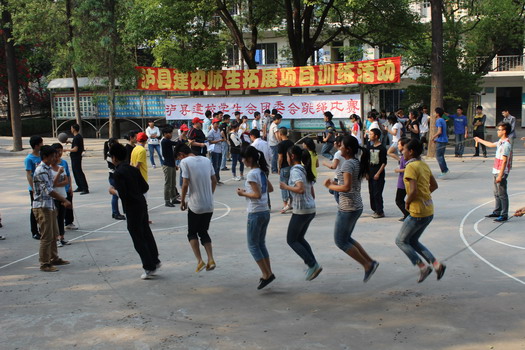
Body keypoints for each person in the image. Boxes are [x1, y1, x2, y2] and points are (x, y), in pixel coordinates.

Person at [324, 135, 379, 282]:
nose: (339, 147)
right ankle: (370, 261)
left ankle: (367, 264)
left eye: (341, 146)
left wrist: (331, 186)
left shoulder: (348, 164)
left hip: (348, 207)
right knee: (347, 238)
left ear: (347, 149)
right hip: (356, 205)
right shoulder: (355, 161)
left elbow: (346, 187)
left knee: (340, 241)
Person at [395, 138, 446, 283]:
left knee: (400, 241)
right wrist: (425, 196)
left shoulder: (411, 167)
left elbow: (413, 190)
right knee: (413, 241)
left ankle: (423, 267)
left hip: (417, 212)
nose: (402, 151)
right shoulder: (423, 164)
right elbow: (434, 185)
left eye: (404, 149)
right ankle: (437, 265)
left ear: (410, 152)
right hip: (428, 210)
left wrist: (407, 201)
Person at [109, 143, 161, 279]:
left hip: (132, 207)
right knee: (146, 233)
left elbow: (123, 194)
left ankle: (149, 266)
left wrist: (113, 191)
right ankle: (155, 260)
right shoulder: (133, 169)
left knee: (138, 237)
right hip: (142, 204)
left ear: (114, 158)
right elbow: (145, 187)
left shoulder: (118, 173)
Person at [279, 146, 322, 281]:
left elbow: (300, 189)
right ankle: (313, 264)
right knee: (299, 238)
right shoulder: (304, 169)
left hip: (302, 210)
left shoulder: (296, 170)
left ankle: (312, 264)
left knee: (291, 240)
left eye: (287, 155)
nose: (286, 158)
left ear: (292, 156)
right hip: (309, 208)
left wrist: (286, 187)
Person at [236, 146, 275, 290]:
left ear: (250, 159)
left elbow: (257, 195)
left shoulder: (252, 174)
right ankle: (268, 272)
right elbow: (269, 189)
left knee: (253, 245)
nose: (242, 160)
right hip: (264, 210)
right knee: (260, 243)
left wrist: (243, 193)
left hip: (255, 212)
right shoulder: (262, 171)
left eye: (244, 158)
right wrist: (249, 191)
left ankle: (266, 273)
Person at [175, 142, 217, 273]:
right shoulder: (206, 160)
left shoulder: (185, 162)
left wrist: (183, 201)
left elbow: (185, 183)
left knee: (192, 233)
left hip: (195, 205)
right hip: (209, 204)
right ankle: (211, 259)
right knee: (203, 232)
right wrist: (209, 194)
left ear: (181, 155)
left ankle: (200, 261)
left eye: (178, 158)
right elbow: (214, 180)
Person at [32, 145, 72, 272]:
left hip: (50, 205)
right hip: (42, 207)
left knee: (54, 234)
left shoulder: (48, 168)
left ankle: (54, 258)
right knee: (47, 236)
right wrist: (64, 200)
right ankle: (44, 263)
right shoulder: (41, 170)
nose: (55, 158)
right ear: (46, 157)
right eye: (53, 156)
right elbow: (48, 190)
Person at [474, 122, 513, 222]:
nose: (498, 131)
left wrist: (500, 175)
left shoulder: (506, 144)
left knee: (502, 194)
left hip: (501, 172)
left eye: (499, 130)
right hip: (495, 170)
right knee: (496, 193)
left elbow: (504, 161)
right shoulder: (501, 141)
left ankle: (504, 214)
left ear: (504, 131)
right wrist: (479, 140)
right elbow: (491, 144)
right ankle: (497, 211)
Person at [50, 143, 72, 247]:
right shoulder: (49, 169)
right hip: (54, 196)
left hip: (63, 194)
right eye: (55, 155)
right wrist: (58, 175)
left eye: (59, 152)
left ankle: (62, 237)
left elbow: (66, 180)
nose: (57, 156)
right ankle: (56, 238)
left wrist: (60, 183)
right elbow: (52, 184)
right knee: (55, 217)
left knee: (61, 217)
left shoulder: (62, 166)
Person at [25, 135, 43, 239]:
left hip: (44, 187)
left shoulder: (42, 155)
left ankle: (43, 228)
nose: (42, 145)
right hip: (35, 189)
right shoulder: (29, 159)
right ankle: (34, 231)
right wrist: (33, 189)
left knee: (44, 209)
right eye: (41, 143)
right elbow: (29, 175)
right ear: (36, 145)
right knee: (34, 209)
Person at [103, 138, 126, 220]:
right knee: (115, 195)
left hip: (113, 176)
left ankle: (115, 212)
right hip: (113, 176)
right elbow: (115, 165)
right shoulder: (111, 155)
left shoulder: (110, 153)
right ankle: (115, 213)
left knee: (115, 195)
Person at [367, 129, 387, 219]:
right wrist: (366, 173)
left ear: (376, 136)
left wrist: (378, 173)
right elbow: (366, 161)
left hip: (378, 173)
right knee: (371, 192)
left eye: (371, 134)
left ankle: (380, 211)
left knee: (377, 192)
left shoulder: (382, 148)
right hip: (370, 172)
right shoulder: (370, 147)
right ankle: (375, 209)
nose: (369, 135)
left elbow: (383, 162)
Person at [64, 123, 89, 194]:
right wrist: (70, 142)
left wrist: (66, 150)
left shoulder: (76, 138)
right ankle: (80, 186)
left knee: (78, 172)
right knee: (75, 172)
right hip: (75, 157)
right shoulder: (78, 137)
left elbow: (75, 149)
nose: (71, 129)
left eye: (71, 128)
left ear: (74, 129)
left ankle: (85, 188)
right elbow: (76, 144)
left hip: (76, 157)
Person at [161, 126, 181, 207]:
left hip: (172, 164)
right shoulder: (165, 141)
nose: (171, 134)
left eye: (171, 133)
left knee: (173, 183)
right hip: (167, 165)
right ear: (165, 134)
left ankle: (173, 198)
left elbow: (172, 154)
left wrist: (175, 164)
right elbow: (177, 143)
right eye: (170, 133)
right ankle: (167, 200)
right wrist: (182, 140)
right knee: (168, 183)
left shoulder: (168, 141)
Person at [322, 135, 345, 204]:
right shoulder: (346, 152)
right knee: (332, 190)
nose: (334, 143)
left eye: (335, 142)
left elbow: (333, 166)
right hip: (343, 176)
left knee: (337, 196)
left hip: (339, 177)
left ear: (338, 143)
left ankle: (343, 207)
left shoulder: (338, 154)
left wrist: (325, 164)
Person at [277, 127, 294, 214]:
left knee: (283, 186)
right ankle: (290, 203)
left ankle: (285, 204)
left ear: (280, 134)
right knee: (291, 185)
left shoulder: (280, 145)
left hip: (284, 166)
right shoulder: (291, 143)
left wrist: (279, 167)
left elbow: (280, 157)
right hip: (291, 166)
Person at [394, 138, 410, 221]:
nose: (398, 146)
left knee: (399, 200)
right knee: (400, 199)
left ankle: (408, 214)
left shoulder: (406, 157)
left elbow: (408, 168)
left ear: (404, 146)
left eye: (399, 144)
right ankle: (407, 214)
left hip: (404, 182)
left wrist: (398, 170)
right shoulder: (403, 156)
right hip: (401, 180)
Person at [432, 107, 450, 178]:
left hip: (441, 141)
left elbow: (439, 131)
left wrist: (433, 137)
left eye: (435, 112)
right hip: (443, 140)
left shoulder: (439, 120)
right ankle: (445, 170)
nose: (434, 114)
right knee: (441, 156)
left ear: (437, 114)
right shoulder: (443, 120)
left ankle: (444, 171)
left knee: (439, 156)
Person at [208, 117, 225, 184]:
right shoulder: (211, 132)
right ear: (213, 124)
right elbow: (209, 141)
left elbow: (222, 137)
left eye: (218, 123)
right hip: (214, 150)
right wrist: (219, 141)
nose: (218, 125)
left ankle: (217, 179)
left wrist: (222, 138)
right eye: (216, 123)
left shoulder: (218, 130)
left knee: (218, 166)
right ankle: (214, 180)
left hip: (219, 149)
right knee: (215, 166)